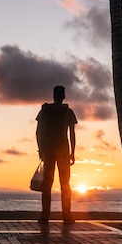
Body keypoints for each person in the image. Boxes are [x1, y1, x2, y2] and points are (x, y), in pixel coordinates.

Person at [36, 85, 77, 224]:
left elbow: (38, 132)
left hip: (48, 151)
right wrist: (73, 152)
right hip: (63, 151)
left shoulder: (45, 111)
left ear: (53, 96)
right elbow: (72, 133)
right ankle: (67, 214)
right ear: (63, 96)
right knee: (65, 183)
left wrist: (41, 149)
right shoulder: (68, 112)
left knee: (47, 184)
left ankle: (44, 215)